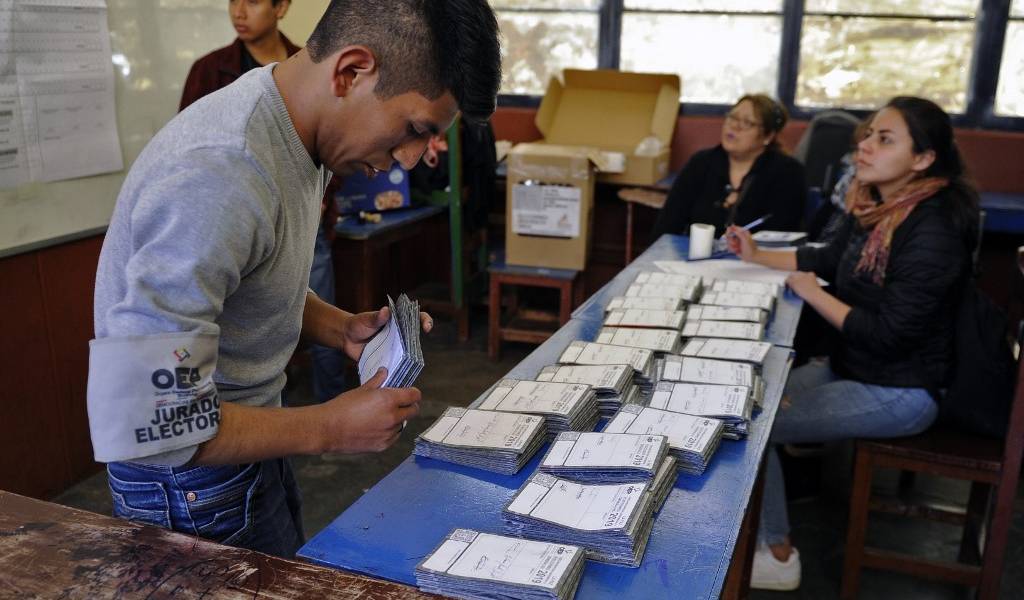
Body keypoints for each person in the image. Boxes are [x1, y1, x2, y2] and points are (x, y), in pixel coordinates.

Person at [87, 0, 501, 559]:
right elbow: (149, 420)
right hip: (185, 485)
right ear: (351, 71)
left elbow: (247, 278)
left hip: (245, 446)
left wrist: (340, 328)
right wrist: (328, 428)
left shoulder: (299, 126)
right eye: (412, 130)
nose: (406, 160)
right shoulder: (222, 170)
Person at [726, 97, 980, 591]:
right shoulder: (882, 207)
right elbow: (826, 255)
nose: (864, 146)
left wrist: (809, 294)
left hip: (904, 390)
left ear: (924, 159)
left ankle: (775, 554)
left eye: (884, 139)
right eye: (867, 135)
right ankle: (757, 532)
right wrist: (759, 255)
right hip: (857, 366)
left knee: (751, 421)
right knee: (746, 393)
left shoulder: (933, 226)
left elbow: (887, 333)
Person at [180, 0, 346, 403]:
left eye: (252, 1)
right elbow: (166, 420)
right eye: (233, 1)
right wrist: (327, 428)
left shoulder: (304, 67)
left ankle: (331, 398)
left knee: (305, 319)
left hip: (304, 224)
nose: (238, 11)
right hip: (232, 236)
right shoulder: (211, 75)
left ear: (281, 7)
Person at [648, 94, 807, 238]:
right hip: (695, 260)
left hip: (757, 264)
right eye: (732, 117)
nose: (734, 126)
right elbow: (667, 223)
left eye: (747, 123)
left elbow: (783, 235)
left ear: (768, 136)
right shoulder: (702, 163)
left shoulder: (787, 173)